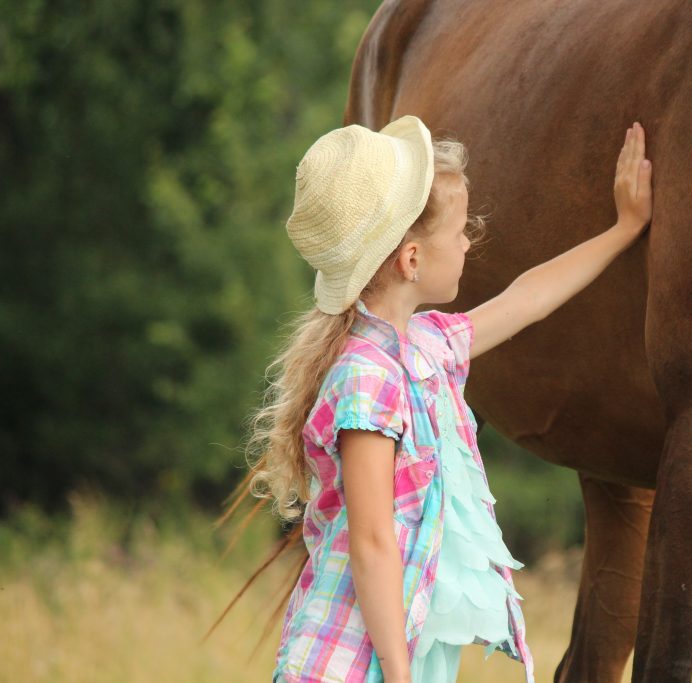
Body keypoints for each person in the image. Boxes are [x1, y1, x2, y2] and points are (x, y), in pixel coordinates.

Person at [246, 114, 652, 683]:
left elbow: (527, 299)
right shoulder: (367, 378)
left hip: (397, 644)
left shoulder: (428, 346)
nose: (468, 241)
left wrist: (623, 228)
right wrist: (399, 672)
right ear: (411, 260)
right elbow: (371, 539)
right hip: (352, 661)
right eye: (460, 230)